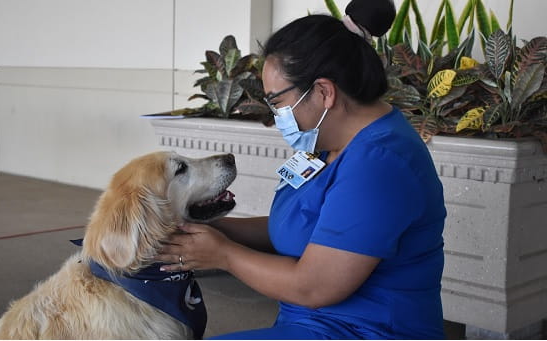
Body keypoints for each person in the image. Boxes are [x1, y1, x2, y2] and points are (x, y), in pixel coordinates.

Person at [157, 0, 447, 338]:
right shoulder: (327, 145)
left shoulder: (381, 165)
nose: (275, 116)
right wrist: (208, 228)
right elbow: (302, 228)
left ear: (324, 92)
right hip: (312, 324)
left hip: (364, 331)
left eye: (277, 103)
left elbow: (314, 287)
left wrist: (223, 255)